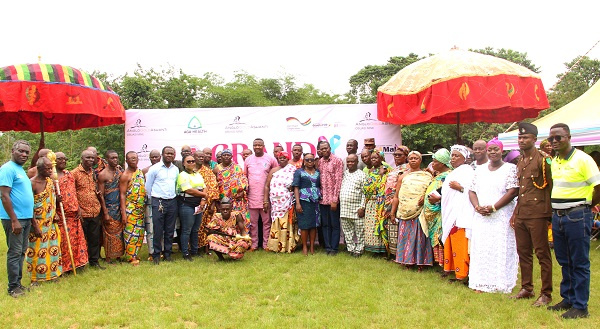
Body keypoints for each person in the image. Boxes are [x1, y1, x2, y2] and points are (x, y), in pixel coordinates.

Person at [546, 123, 600, 319]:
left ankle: (580, 306)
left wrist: (585, 205)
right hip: (558, 216)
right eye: (551, 138)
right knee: (564, 260)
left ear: (569, 137)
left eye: (558, 137)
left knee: (579, 262)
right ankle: (568, 298)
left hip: (577, 215)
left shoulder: (583, 160)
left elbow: (598, 187)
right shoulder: (556, 160)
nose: (554, 141)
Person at [509, 123, 553, 306]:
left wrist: (549, 213)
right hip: (522, 212)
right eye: (520, 138)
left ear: (535, 139)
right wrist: (515, 213)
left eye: (525, 137)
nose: (522, 140)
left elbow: (551, 186)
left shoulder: (544, 160)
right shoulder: (520, 160)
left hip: (538, 213)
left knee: (542, 253)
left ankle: (546, 293)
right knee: (523, 252)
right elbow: (522, 190)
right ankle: (527, 288)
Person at [468, 138, 519, 293]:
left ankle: (501, 283)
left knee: (500, 248)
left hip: (501, 215)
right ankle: (481, 283)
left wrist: (494, 207)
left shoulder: (510, 168)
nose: (492, 152)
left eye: (495, 149)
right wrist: (477, 207)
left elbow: (513, 191)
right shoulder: (480, 169)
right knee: (482, 249)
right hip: (482, 216)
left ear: (502, 151)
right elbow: (471, 190)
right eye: (490, 149)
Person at [0, 140, 34, 297]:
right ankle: (13, 287)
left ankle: (18, 284)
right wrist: (14, 220)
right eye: (21, 151)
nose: (24, 154)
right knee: (15, 252)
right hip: (15, 219)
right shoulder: (7, 169)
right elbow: (4, 195)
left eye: (27, 152)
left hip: (25, 218)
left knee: (21, 251)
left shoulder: (20, 169)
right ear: (13, 151)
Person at [392, 151, 433, 269]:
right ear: (408, 161)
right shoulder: (403, 176)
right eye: (411, 158)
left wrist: (424, 197)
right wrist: (392, 213)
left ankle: (421, 262)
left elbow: (431, 191)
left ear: (420, 160)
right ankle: (406, 261)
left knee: (420, 237)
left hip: (420, 211)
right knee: (406, 237)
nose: (413, 160)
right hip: (405, 211)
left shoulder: (426, 176)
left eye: (416, 158)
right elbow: (396, 196)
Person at [441, 145, 475, 282]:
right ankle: (452, 269)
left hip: (461, 214)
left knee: (460, 242)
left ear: (464, 158)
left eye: (456, 156)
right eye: (452, 155)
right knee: (451, 241)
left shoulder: (468, 171)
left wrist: (460, 188)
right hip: (450, 212)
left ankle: (462, 274)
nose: (453, 158)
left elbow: (473, 190)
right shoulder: (453, 172)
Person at [26, 157, 62, 284]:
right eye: (48, 168)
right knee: (36, 250)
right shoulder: (31, 183)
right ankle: (35, 278)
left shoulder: (51, 182)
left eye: (51, 168)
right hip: (37, 223)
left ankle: (52, 274)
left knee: (53, 248)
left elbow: (51, 201)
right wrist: (34, 225)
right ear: (39, 169)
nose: (51, 170)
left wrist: (57, 204)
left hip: (51, 222)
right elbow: (28, 206)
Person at [145, 146, 179, 264]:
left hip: (172, 201)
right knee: (158, 229)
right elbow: (148, 187)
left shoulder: (175, 169)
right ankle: (156, 255)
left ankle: (168, 254)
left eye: (171, 154)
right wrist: (155, 197)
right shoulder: (155, 168)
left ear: (174, 155)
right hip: (158, 201)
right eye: (167, 153)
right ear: (162, 155)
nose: (169, 155)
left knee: (170, 229)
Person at [55, 152, 88, 272]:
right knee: (64, 242)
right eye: (60, 159)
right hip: (62, 215)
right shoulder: (51, 178)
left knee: (77, 241)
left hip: (74, 214)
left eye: (65, 159)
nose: (63, 161)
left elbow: (73, 192)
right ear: (54, 160)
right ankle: (65, 267)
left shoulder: (68, 174)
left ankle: (78, 264)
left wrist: (78, 208)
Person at [243, 138, 279, 251]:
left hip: (266, 197)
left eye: (259, 145)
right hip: (252, 197)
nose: (257, 147)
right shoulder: (248, 160)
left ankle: (266, 245)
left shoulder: (270, 159)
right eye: (255, 145)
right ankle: (254, 245)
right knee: (253, 224)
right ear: (253, 146)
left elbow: (276, 175)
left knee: (266, 223)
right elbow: (245, 177)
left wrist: (268, 197)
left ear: (263, 146)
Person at [72, 149, 105, 269]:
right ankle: (81, 263)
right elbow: (72, 192)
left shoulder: (93, 172)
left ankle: (94, 261)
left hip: (95, 210)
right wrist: (78, 209)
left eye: (92, 158)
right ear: (82, 159)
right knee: (81, 239)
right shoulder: (74, 173)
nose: (91, 160)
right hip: (82, 212)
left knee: (94, 238)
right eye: (88, 158)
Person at [419, 148, 452, 267]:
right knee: (436, 239)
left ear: (442, 163)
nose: (433, 163)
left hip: (440, 213)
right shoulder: (438, 175)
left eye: (435, 161)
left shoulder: (448, 177)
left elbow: (448, 195)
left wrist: (438, 200)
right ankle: (441, 264)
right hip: (432, 214)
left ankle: (447, 266)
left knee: (441, 238)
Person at [264, 151, 298, 253]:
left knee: (287, 223)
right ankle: (275, 246)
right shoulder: (273, 170)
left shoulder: (292, 169)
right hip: (275, 203)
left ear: (288, 159)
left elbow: (296, 185)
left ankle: (288, 246)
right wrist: (265, 200)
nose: (282, 159)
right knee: (277, 223)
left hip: (288, 202)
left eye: (284, 158)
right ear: (277, 159)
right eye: (280, 158)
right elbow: (267, 186)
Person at [176, 155, 207, 260]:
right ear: (184, 163)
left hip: (198, 205)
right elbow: (188, 190)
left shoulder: (197, 174)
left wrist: (203, 200)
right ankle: (185, 253)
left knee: (195, 230)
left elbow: (204, 187)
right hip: (186, 205)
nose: (191, 163)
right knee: (186, 230)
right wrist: (203, 195)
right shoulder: (182, 175)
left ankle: (194, 251)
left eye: (193, 161)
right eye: (188, 161)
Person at [119, 151, 147, 265]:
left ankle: (136, 254)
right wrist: (124, 213)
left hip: (140, 209)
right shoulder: (125, 175)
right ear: (126, 161)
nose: (133, 160)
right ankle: (131, 257)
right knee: (131, 233)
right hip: (130, 209)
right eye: (131, 158)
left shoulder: (140, 173)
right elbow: (122, 194)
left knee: (139, 233)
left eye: (135, 158)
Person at [98, 150, 125, 263]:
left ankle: (118, 256)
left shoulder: (119, 172)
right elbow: (101, 195)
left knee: (119, 233)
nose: (115, 160)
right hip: (109, 207)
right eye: (112, 158)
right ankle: (109, 257)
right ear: (107, 160)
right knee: (109, 233)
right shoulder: (103, 174)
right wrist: (105, 212)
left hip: (119, 206)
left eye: (116, 158)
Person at [318, 141, 344, 255]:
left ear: (330, 148)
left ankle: (334, 248)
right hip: (322, 200)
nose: (324, 150)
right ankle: (327, 247)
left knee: (334, 224)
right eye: (322, 149)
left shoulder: (337, 161)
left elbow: (338, 181)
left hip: (333, 200)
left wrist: (335, 200)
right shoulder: (320, 162)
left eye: (326, 148)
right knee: (325, 224)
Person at [292, 153, 321, 255]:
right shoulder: (299, 172)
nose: (309, 162)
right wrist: (298, 203)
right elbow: (295, 187)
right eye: (307, 159)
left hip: (315, 201)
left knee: (313, 225)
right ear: (303, 161)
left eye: (311, 160)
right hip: (303, 201)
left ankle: (312, 247)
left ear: (314, 161)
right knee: (304, 225)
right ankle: (305, 246)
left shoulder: (318, 172)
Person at [384, 146, 410, 258]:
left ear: (406, 157)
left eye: (400, 155)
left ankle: (402, 255)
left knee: (399, 228)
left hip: (399, 203)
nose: (397, 157)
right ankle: (394, 254)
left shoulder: (407, 170)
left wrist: (393, 205)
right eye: (395, 155)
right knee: (392, 228)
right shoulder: (394, 169)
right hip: (389, 202)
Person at [214, 149, 249, 228]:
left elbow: (244, 180)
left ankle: (241, 237)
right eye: (224, 155)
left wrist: (242, 191)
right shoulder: (217, 169)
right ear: (221, 157)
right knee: (225, 221)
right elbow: (214, 184)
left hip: (237, 200)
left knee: (240, 220)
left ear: (231, 157)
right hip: (223, 201)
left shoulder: (237, 167)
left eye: (228, 155)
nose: (226, 157)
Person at [339, 154, 367, 257]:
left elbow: (365, 192)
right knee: (347, 232)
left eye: (352, 161)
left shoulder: (362, 175)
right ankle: (351, 249)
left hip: (357, 209)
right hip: (344, 209)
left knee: (360, 231)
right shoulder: (344, 174)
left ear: (357, 162)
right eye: (348, 162)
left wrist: (362, 207)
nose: (350, 163)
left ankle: (359, 250)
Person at [363, 148, 388, 255]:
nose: (373, 159)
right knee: (370, 225)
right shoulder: (370, 171)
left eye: (376, 157)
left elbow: (386, 185)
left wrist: (382, 175)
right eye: (372, 157)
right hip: (370, 201)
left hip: (380, 202)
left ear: (381, 159)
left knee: (379, 223)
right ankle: (372, 249)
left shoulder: (386, 169)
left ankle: (381, 249)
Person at [195, 150, 219, 256]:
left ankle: (207, 247)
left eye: (202, 156)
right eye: (199, 156)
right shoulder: (191, 172)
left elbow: (214, 187)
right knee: (195, 227)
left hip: (208, 204)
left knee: (208, 226)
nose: (201, 158)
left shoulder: (208, 171)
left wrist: (212, 204)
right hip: (194, 203)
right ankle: (196, 247)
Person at [142, 149, 160, 260]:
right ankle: (151, 252)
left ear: (160, 157)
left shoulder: (165, 170)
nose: (154, 159)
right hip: (149, 202)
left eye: (156, 157)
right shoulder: (144, 171)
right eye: (152, 157)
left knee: (160, 228)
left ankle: (160, 250)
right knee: (150, 228)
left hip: (161, 201)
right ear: (149, 158)